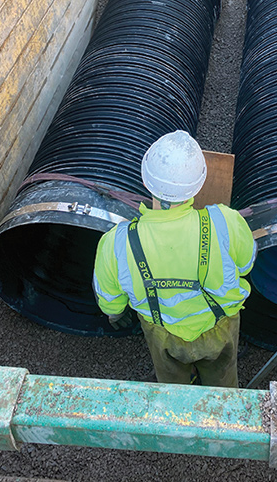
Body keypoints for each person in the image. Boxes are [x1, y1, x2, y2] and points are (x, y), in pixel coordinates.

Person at [93, 131, 257, 388]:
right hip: (219, 327)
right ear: (198, 183)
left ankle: (178, 418)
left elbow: (110, 303)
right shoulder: (226, 222)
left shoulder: (117, 243)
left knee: (171, 389)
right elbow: (246, 266)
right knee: (223, 386)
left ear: (147, 181)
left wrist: (115, 316)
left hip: (162, 332)